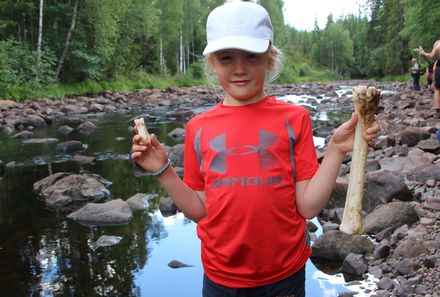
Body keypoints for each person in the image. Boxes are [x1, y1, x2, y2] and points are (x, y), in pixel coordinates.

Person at [130, 2, 379, 296]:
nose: (239, 69)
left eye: (251, 56)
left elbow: (308, 207)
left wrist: (336, 149)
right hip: (221, 276)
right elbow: (200, 210)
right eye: (226, 58)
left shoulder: (294, 119)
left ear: (270, 59)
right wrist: (163, 169)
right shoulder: (198, 128)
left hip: (284, 274)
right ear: (211, 63)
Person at [419, 40, 440, 117]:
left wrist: (423, 53)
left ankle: (438, 111)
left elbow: (431, 56)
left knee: (437, 89)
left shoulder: (438, 43)